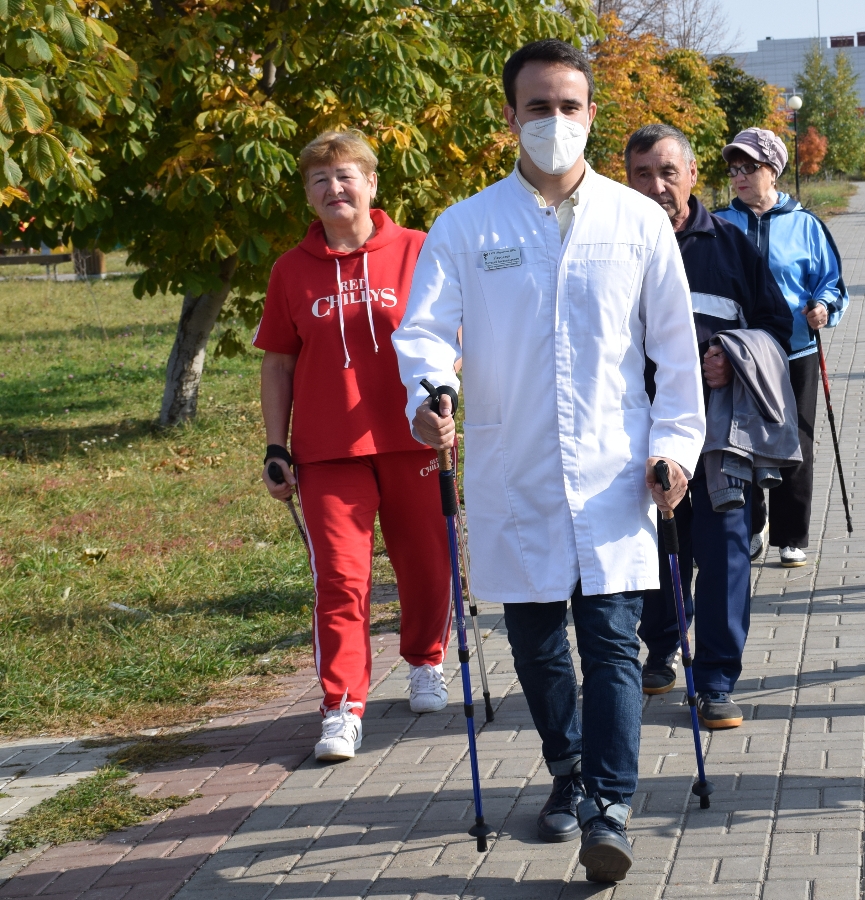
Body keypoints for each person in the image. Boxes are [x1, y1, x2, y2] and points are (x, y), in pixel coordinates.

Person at [392, 41, 704, 883]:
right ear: (509, 118)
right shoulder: (467, 226)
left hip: (614, 471)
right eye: (538, 107)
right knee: (537, 645)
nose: (554, 122)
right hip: (513, 469)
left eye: (570, 106)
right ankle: (566, 769)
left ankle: (608, 803)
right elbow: (423, 332)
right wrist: (431, 394)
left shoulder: (637, 221)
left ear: (593, 114)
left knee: (610, 642)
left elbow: (675, 353)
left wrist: (674, 446)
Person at [254, 129, 450, 765]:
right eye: (320, 180)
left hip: (411, 439)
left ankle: (425, 662)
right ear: (309, 196)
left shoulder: (418, 250)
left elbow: (455, 338)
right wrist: (274, 445)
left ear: (371, 184)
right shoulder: (291, 269)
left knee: (426, 565)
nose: (334, 189)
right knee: (341, 580)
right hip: (327, 451)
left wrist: (454, 408)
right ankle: (343, 705)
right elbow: (278, 363)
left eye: (345, 176)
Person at [623, 124, 792, 729]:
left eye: (668, 172)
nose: (657, 185)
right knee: (658, 545)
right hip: (636, 430)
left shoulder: (731, 246)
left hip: (721, 434)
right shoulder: (609, 243)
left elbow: (778, 328)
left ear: (693, 175)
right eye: (643, 173)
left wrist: (734, 354)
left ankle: (717, 680)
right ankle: (661, 646)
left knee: (722, 553)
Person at [714, 128, 848, 569]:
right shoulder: (719, 225)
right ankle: (751, 527)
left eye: (749, 167)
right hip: (740, 354)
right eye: (734, 169)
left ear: (773, 170)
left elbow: (830, 281)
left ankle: (792, 536)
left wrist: (823, 307)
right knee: (742, 443)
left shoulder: (806, 225)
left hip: (794, 351)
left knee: (798, 443)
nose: (739, 177)